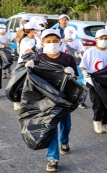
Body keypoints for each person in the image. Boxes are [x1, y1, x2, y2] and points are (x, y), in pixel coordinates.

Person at [24, 29, 79, 172]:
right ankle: (52, 158)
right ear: (42, 43)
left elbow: (76, 79)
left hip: (64, 98)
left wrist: (71, 74)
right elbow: (32, 80)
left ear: (60, 42)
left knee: (66, 125)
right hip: (47, 100)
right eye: (48, 42)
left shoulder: (68, 59)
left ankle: (64, 142)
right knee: (51, 128)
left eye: (55, 41)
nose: (52, 44)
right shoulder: (39, 58)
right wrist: (28, 68)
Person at [80, 29, 107, 134]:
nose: (103, 41)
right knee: (98, 103)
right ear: (96, 39)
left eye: (106, 38)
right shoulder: (90, 51)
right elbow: (83, 65)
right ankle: (97, 121)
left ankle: (106, 123)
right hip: (93, 82)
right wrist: (84, 72)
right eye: (101, 38)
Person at [13, 22, 44, 111]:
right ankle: (17, 101)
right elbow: (28, 51)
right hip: (24, 64)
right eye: (36, 30)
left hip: (36, 64)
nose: (38, 32)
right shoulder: (24, 40)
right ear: (31, 31)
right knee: (20, 84)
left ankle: (32, 102)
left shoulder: (38, 39)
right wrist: (37, 46)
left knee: (33, 84)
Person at [61, 26, 87, 109]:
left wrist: (85, 63)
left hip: (76, 65)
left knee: (80, 83)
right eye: (68, 37)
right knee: (65, 82)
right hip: (64, 65)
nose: (70, 39)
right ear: (64, 34)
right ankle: (65, 100)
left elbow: (83, 52)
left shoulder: (77, 42)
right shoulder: (61, 42)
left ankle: (80, 101)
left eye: (71, 38)